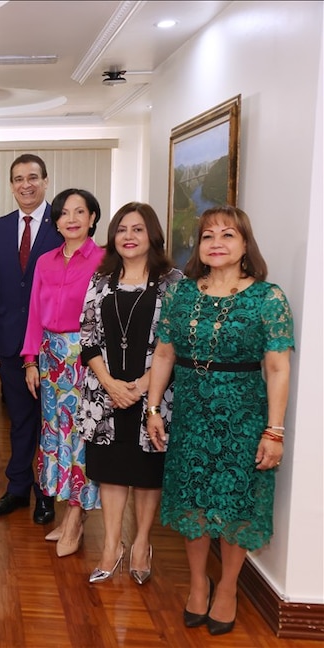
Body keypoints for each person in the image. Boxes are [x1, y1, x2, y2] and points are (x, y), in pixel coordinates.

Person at [146, 206, 292, 636]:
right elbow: (165, 355)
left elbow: (278, 368)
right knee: (193, 503)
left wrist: (275, 430)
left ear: (245, 245)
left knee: (235, 505)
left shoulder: (268, 298)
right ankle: (197, 583)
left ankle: (227, 587)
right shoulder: (181, 294)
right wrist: (154, 408)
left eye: (228, 235)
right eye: (208, 236)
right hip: (190, 415)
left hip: (244, 418)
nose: (216, 243)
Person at [77, 202, 183, 584]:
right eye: (122, 229)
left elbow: (176, 345)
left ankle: (140, 544)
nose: (129, 236)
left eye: (137, 229)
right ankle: (111, 546)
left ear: (152, 235)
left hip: (153, 394)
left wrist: (139, 387)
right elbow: (87, 338)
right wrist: (109, 384)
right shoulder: (101, 280)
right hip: (104, 394)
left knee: (147, 473)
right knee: (110, 471)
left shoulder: (174, 282)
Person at [0, 154, 64, 524]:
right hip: (10, 343)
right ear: (11, 184)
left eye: (33, 177)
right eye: (18, 179)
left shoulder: (63, 225)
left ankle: (46, 494)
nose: (25, 184)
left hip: (54, 346)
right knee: (20, 420)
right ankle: (17, 488)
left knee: (50, 421)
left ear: (46, 181)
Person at [22, 188, 104, 556]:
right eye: (64, 213)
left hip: (86, 358)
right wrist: (29, 361)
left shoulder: (105, 260)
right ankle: (68, 509)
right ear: (55, 221)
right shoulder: (45, 261)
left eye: (79, 212)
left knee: (81, 438)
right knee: (56, 434)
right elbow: (34, 317)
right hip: (50, 357)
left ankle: (76, 516)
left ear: (92, 218)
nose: (71, 219)